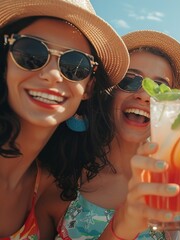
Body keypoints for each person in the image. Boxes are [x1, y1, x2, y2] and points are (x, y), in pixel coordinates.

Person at [37, 30, 180, 240]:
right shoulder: (60, 180)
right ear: (107, 92)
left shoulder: (174, 184)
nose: (144, 96)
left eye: (159, 88)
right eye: (130, 81)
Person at [0, 0, 129, 238]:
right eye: (30, 53)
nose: (51, 75)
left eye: (74, 65)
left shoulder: (47, 184)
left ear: (88, 87)